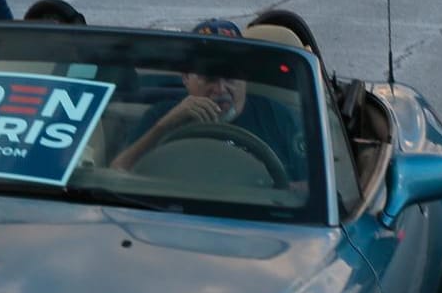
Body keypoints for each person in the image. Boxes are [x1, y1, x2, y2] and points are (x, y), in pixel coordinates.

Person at [110, 18, 306, 177]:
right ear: (186, 77)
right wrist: (164, 127)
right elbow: (117, 172)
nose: (220, 89)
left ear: (246, 75)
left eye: (230, 75)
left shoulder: (278, 117)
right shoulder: (161, 115)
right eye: (209, 77)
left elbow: (310, 190)